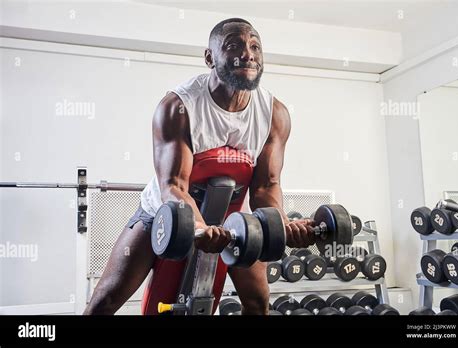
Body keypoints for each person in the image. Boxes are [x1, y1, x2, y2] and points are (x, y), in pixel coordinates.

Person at [84, 17, 315, 316]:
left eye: (255, 46)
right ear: (210, 57)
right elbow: (173, 186)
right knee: (106, 299)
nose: (248, 53)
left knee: (258, 303)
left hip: (235, 219)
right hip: (164, 212)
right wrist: (200, 227)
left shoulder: (274, 114)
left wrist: (282, 225)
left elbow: (265, 186)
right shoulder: (178, 106)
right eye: (234, 45)